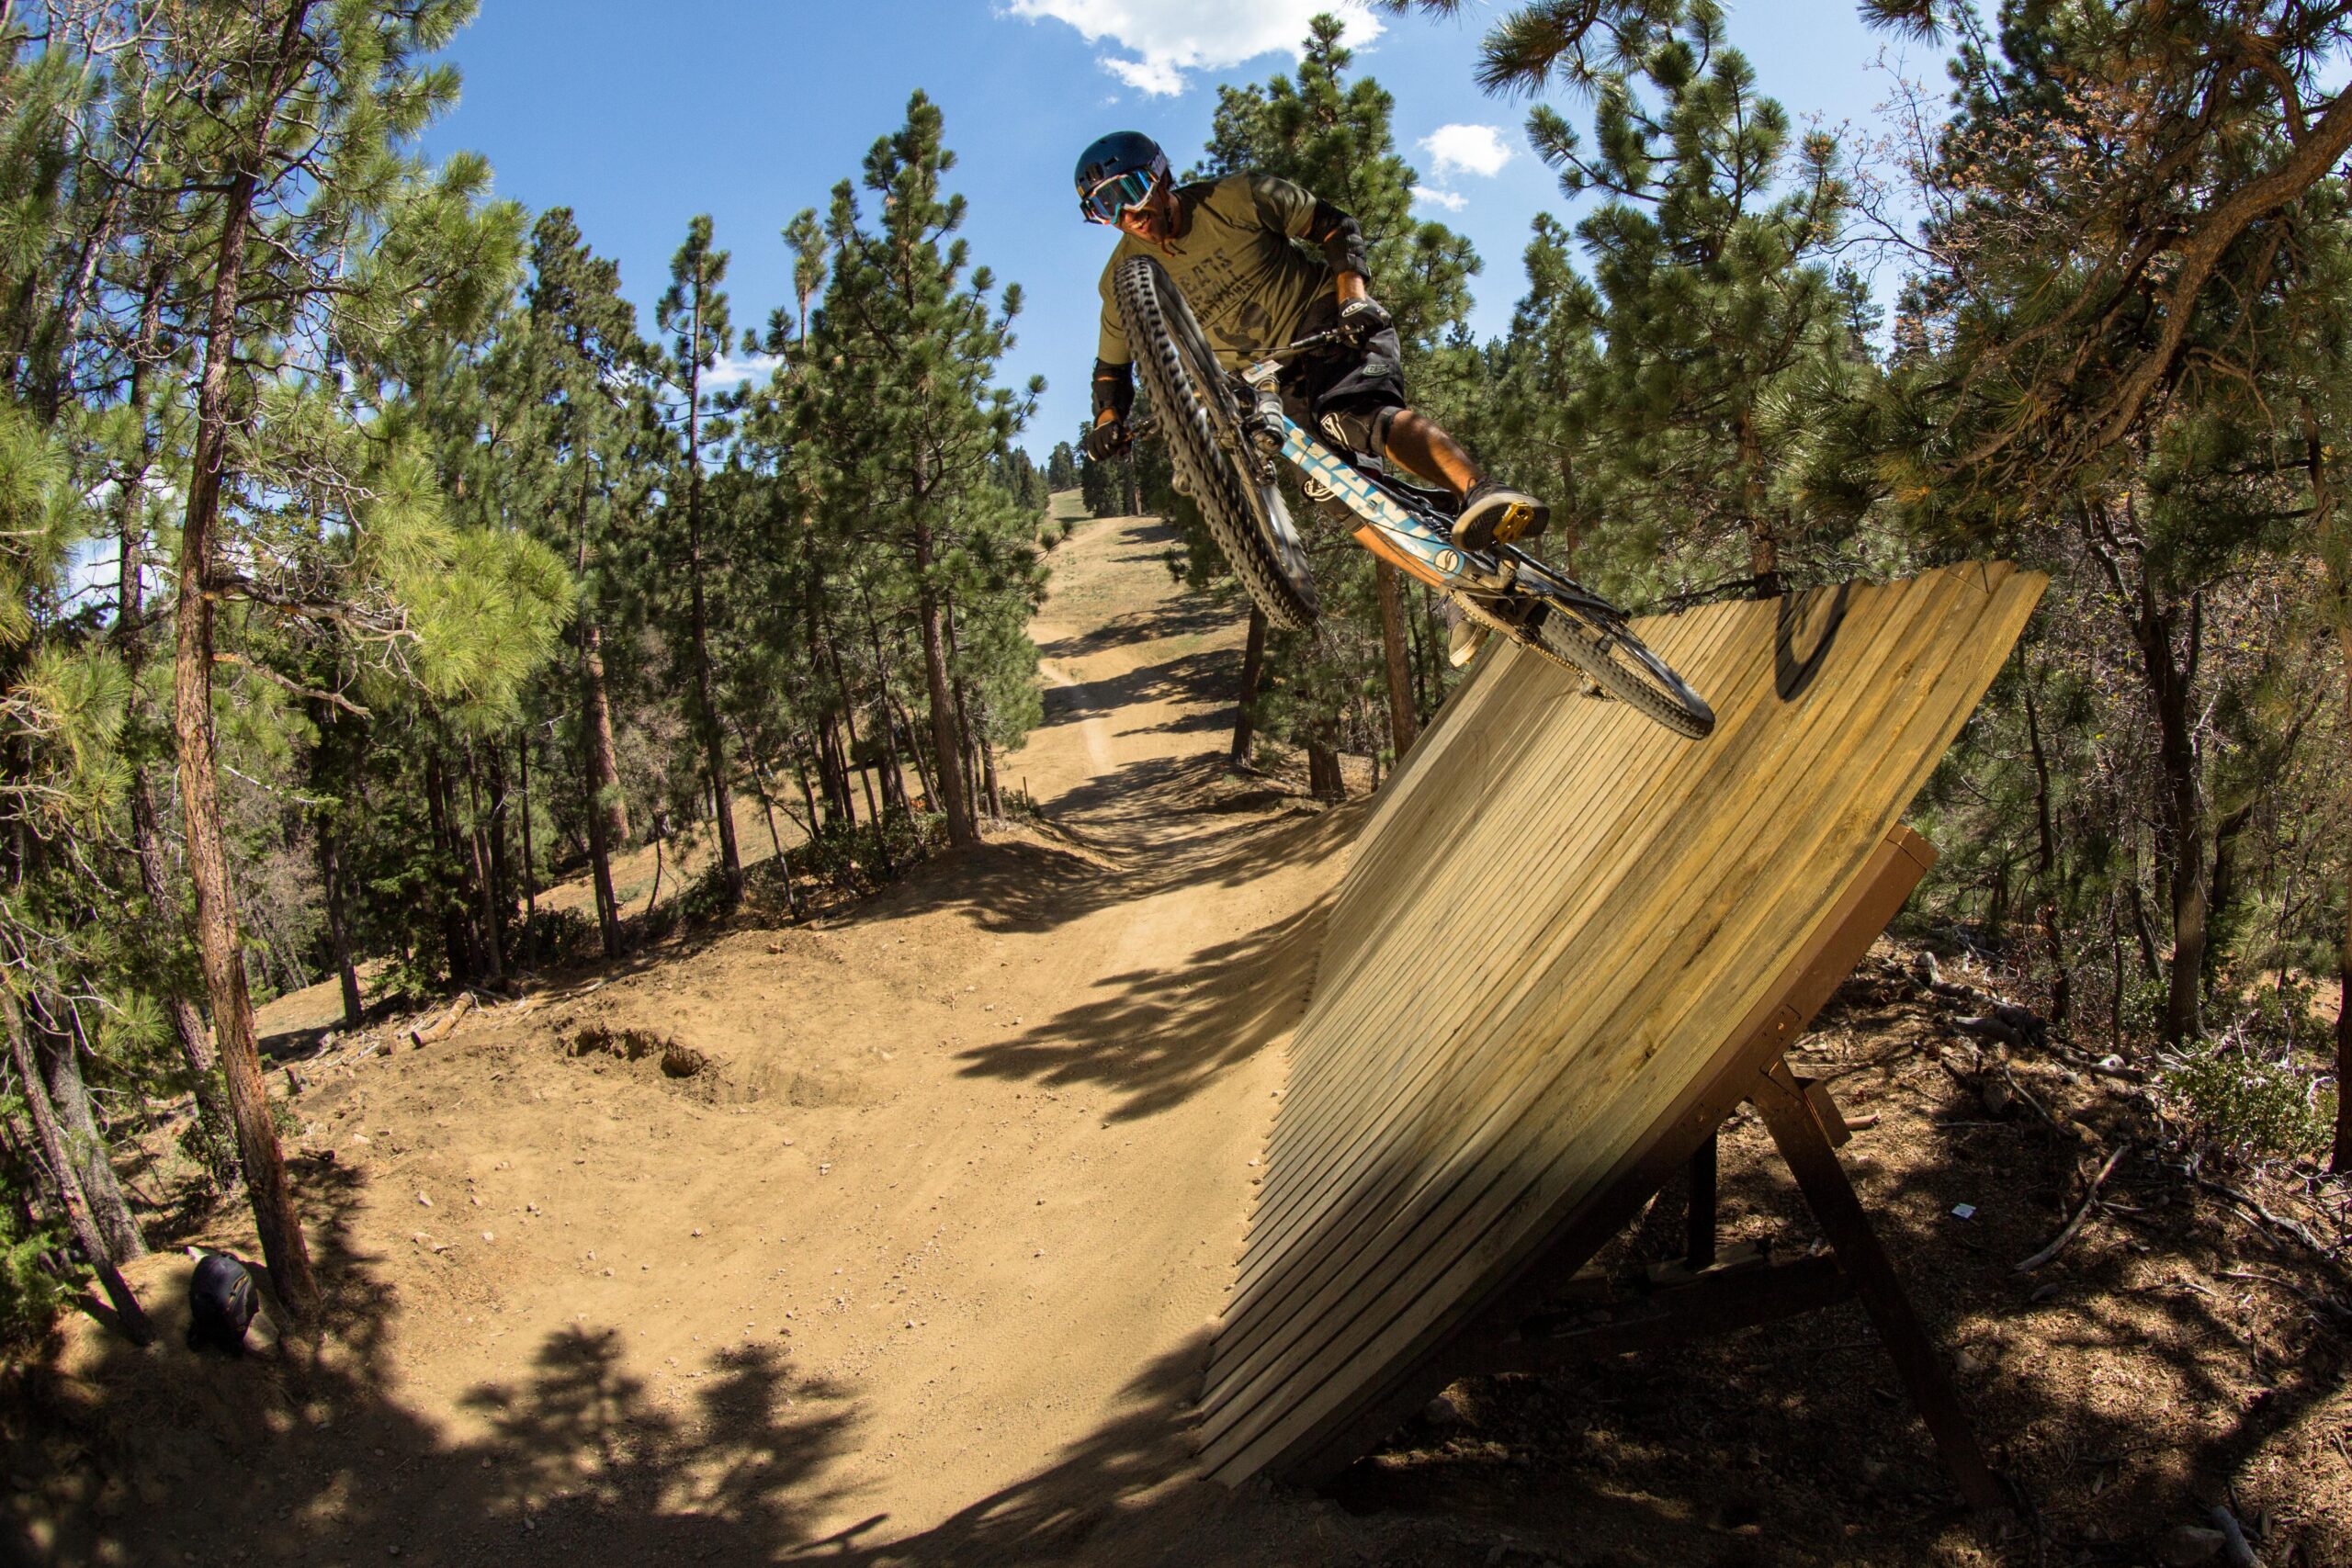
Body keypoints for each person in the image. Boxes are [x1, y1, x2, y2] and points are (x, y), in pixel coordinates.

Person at [1075, 130, 1547, 558]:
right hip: (1265, 386)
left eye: (1129, 193)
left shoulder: (1237, 198)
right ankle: (1458, 579)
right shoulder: (1121, 279)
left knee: (1351, 417)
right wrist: (1107, 421)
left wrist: (1353, 301)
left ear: (1159, 178)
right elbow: (1111, 369)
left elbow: (1336, 227)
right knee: (1331, 491)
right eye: (1103, 209)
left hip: (1324, 324)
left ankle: (1483, 490)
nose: (1126, 215)